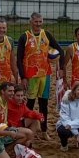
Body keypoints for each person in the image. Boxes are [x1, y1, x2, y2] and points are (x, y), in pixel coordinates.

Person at [17, 12, 65, 140]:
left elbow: (60, 50)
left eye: (40, 21)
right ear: (31, 22)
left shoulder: (46, 35)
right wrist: (23, 77)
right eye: (35, 22)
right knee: (29, 105)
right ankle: (26, 130)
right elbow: (19, 59)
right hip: (30, 77)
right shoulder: (24, 37)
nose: (38, 24)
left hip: (45, 75)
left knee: (43, 104)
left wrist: (61, 68)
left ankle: (44, 131)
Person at [56, 81, 79, 151]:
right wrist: (76, 133)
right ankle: (64, 145)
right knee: (62, 130)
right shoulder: (66, 101)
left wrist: (72, 125)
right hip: (68, 125)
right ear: (74, 91)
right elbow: (65, 118)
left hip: (76, 125)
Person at [0, 19, 19, 87]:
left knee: (6, 97)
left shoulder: (9, 40)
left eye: (4, 28)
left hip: (7, 77)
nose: (1, 30)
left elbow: (13, 61)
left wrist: (16, 77)